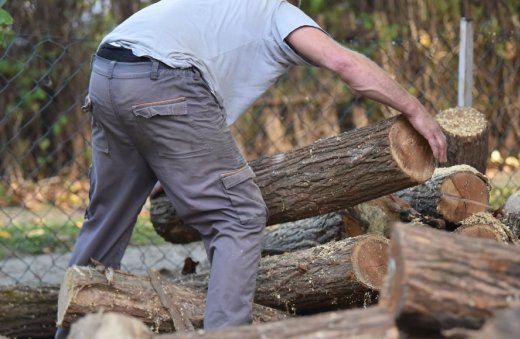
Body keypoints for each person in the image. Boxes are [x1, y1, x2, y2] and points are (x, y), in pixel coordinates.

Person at [56, 0, 446, 337]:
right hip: (164, 78)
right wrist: (413, 108)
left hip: (108, 71)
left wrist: (171, 162)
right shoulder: (279, 13)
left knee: (108, 214)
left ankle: (72, 330)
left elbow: (178, 85)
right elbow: (343, 61)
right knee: (238, 215)